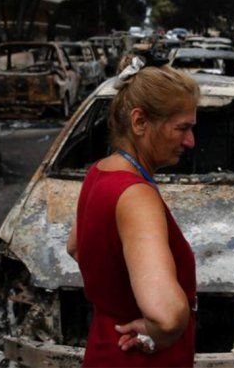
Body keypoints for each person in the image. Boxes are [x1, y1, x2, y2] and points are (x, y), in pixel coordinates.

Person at [67, 55, 199, 367]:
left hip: (105, 343)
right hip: (137, 358)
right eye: (182, 128)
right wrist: (167, 330)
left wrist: (117, 294)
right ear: (139, 122)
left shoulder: (98, 172)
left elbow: (74, 246)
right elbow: (165, 314)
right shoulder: (137, 196)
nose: (191, 141)